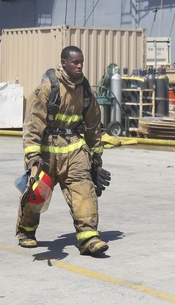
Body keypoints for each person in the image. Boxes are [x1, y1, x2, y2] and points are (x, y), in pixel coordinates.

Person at [16, 45, 107, 256]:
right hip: (46, 153)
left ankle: (89, 238)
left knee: (84, 190)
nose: (79, 66)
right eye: (75, 62)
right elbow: (33, 122)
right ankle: (26, 232)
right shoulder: (47, 88)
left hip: (75, 151)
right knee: (36, 194)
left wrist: (96, 158)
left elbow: (94, 125)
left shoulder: (85, 90)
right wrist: (32, 155)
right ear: (63, 63)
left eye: (82, 62)